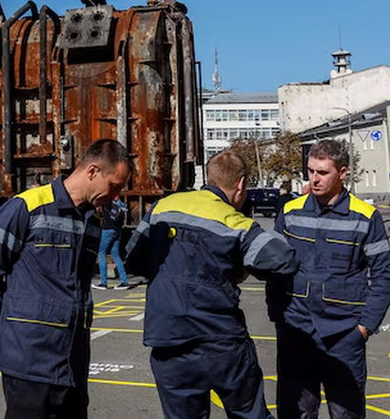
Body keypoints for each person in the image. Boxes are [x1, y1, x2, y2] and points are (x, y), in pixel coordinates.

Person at [125, 150, 298, 419]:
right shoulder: (235, 222)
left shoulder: (163, 207)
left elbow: (133, 258)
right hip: (222, 342)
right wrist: (241, 267)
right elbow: (283, 260)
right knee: (248, 413)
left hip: (170, 340)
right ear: (240, 184)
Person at [0, 139, 132, 419]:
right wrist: (18, 321)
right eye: (115, 185)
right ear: (93, 171)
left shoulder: (92, 222)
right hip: (29, 361)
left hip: (71, 362)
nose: (117, 196)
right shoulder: (27, 207)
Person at [267, 139, 390, 419]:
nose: (314, 179)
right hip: (296, 332)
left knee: (346, 413)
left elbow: (384, 276)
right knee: (294, 412)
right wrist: (278, 315)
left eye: (322, 173)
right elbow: (274, 268)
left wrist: (364, 328)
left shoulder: (365, 217)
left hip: (343, 335)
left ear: (343, 172)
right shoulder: (290, 212)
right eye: (311, 171)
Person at [93, 198, 130, 290]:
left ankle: (103, 282)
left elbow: (98, 211)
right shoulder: (120, 203)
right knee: (116, 256)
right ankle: (124, 281)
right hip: (117, 230)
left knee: (101, 253)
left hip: (107, 229)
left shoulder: (106, 201)